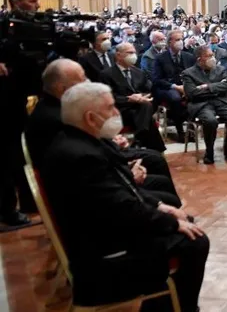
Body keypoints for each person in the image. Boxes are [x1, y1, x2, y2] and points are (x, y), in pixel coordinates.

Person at [43, 82, 208, 311]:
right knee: (196, 241)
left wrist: (161, 206)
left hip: (106, 231)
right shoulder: (81, 156)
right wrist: (169, 222)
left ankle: (166, 303)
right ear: (90, 117)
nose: (117, 113)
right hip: (102, 259)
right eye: (110, 108)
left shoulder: (82, 140)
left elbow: (121, 190)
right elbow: (122, 208)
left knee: (184, 222)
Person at [28, 60, 181, 207]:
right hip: (87, 193)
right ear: (63, 89)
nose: (88, 82)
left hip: (100, 166)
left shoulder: (59, 106)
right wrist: (127, 172)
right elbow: (85, 164)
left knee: (155, 159)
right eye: (82, 79)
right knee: (157, 168)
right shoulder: (56, 118)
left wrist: (113, 143)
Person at [0, 0, 42, 228]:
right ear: (15, 2)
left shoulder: (35, 27)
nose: (37, 5)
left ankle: (29, 200)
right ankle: (8, 210)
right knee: (8, 156)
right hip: (6, 103)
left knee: (24, 154)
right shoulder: (4, 27)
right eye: (32, 1)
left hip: (25, 97)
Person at [100, 43, 166, 152]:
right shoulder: (106, 74)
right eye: (130, 53)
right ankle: (153, 147)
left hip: (140, 108)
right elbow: (108, 98)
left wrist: (142, 96)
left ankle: (140, 139)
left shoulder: (139, 72)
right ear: (118, 55)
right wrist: (129, 99)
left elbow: (149, 90)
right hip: (121, 110)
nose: (133, 55)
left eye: (134, 52)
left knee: (145, 105)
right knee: (148, 116)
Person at [182, 46, 227, 164]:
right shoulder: (188, 73)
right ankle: (209, 151)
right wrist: (217, 88)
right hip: (201, 104)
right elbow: (192, 93)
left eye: (212, 55)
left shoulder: (220, 69)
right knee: (210, 121)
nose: (213, 58)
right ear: (199, 59)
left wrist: (207, 87)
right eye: (209, 56)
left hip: (221, 101)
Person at [152, 30, 195, 143]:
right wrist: (175, 87)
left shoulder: (189, 56)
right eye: (177, 40)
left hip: (185, 85)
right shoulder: (160, 58)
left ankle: (190, 128)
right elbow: (156, 80)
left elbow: (194, 74)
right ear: (170, 42)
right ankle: (180, 130)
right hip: (167, 87)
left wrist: (187, 87)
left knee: (196, 94)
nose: (180, 42)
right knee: (175, 98)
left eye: (181, 39)